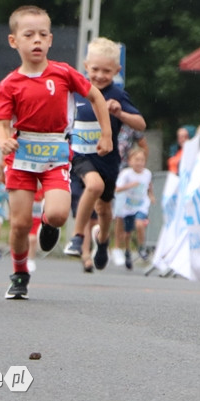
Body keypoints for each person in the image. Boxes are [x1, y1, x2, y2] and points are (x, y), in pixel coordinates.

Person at [0, 5, 113, 299]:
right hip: (21, 155)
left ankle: (49, 225)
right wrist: (3, 140)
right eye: (29, 34)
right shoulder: (10, 84)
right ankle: (20, 273)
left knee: (59, 213)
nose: (36, 40)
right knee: (20, 223)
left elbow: (96, 97)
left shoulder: (63, 73)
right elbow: (0, 123)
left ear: (50, 40)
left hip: (55, 152)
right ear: (14, 41)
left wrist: (106, 133)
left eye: (42, 35)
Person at [64, 37, 145, 273]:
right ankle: (78, 239)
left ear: (117, 71)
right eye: (95, 69)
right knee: (93, 186)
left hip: (107, 160)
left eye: (107, 71)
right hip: (80, 157)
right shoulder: (76, 92)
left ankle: (103, 241)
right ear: (86, 65)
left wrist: (121, 114)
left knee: (104, 210)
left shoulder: (117, 94)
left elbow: (140, 124)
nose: (100, 75)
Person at [114, 146, 153, 271]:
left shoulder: (147, 173)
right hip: (128, 206)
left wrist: (151, 195)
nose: (139, 163)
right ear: (130, 161)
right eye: (136, 160)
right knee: (127, 232)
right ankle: (127, 251)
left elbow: (149, 186)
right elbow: (117, 189)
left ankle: (142, 247)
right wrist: (129, 185)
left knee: (140, 224)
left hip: (141, 205)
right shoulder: (126, 174)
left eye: (142, 160)